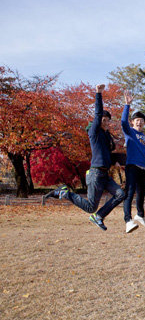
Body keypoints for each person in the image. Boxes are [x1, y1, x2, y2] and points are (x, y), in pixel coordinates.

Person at [44, 84, 126, 230]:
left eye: (108, 121)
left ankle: (99, 216)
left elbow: (108, 155)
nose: (106, 123)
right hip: (95, 174)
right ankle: (65, 193)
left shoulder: (107, 138)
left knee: (121, 194)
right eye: (104, 120)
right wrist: (98, 93)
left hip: (105, 175)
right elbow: (98, 113)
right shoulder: (94, 132)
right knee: (89, 207)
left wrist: (118, 162)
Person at [121, 91, 145, 233]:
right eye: (136, 120)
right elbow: (122, 122)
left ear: (144, 123)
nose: (139, 122)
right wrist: (127, 105)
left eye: (141, 120)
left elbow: (143, 153)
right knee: (130, 192)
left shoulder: (144, 136)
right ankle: (128, 220)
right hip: (131, 166)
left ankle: (140, 214)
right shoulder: (130, 132)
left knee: (141, 193)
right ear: (133, 122)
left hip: (141, 168)